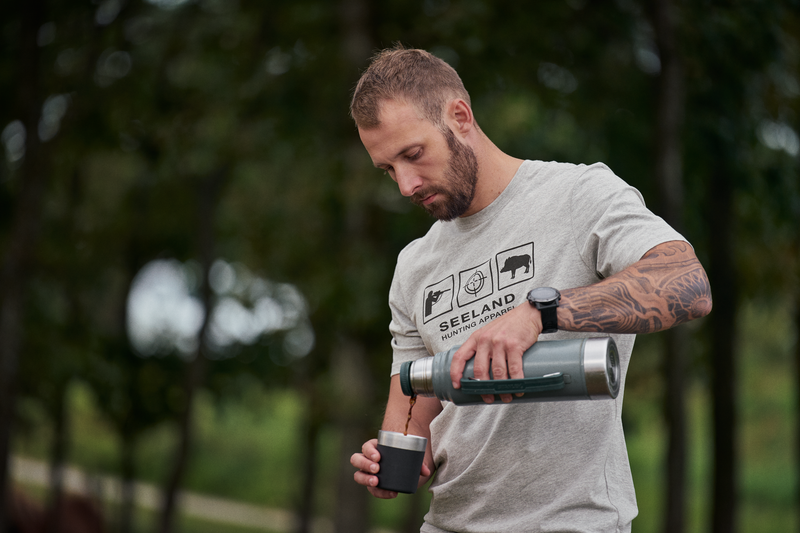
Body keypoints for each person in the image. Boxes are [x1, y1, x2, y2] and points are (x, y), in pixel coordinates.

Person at [349, 45, 712, 533]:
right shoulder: (414, 265)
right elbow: (413, 410)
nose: (406, 185)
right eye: (388, 169)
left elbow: (687, 285)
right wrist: (391, 458)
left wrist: (539, 313)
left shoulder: (579, 195)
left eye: (413, 154)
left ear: (459, 116)